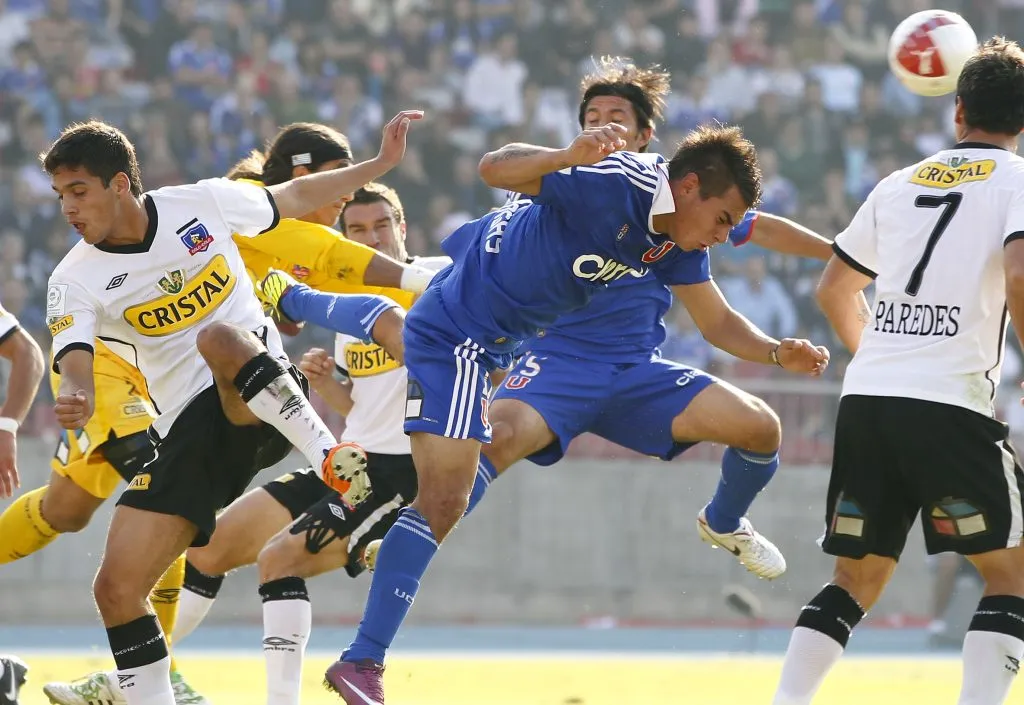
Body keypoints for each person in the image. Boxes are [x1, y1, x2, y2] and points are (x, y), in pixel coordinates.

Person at [325, 116, 830, 700]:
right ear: (688, 187)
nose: (724, 235)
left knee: (443, 499)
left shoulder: (674, 235)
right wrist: (564, 155)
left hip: (524, 348)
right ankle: (364, 655)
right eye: (723, 220)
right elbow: (494, 166)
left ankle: (396, 567)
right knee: (443, 498)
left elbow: (715, 321)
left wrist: (775, 352)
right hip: (457, 333)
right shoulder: (610, 181)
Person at [38, 123, 429, 705]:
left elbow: (292, 199)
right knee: (117, 588)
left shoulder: (200, 202)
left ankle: (329, 457)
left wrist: (375, 164)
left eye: (78, 191)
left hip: (260, 394)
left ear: (119, 184)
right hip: (190, 436)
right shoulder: (73, 278)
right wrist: (76, 392)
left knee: (220, 336)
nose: (68, 208)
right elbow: (74, 351)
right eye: (60, 195)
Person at [469, 57, 843, 582]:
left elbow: (751, 236)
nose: (602, 126)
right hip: (558, 362)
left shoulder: (686, 206)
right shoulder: (569, 183)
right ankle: (409, 531)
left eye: (616, 116)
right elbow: (496, 175)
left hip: (633, 369)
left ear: (646, 135)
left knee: (760, 426)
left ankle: (724, 521)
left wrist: (836, 258)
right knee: (495, 440)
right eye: (592, 115)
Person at [772, 38, 1024, 705]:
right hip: (950, 405)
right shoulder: (1018, 182)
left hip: (869, 400)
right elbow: (1021, 273)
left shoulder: (898, 181)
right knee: (1012, 574)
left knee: (854, 576)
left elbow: (834, 287)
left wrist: (884, 358)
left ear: (957, 109)